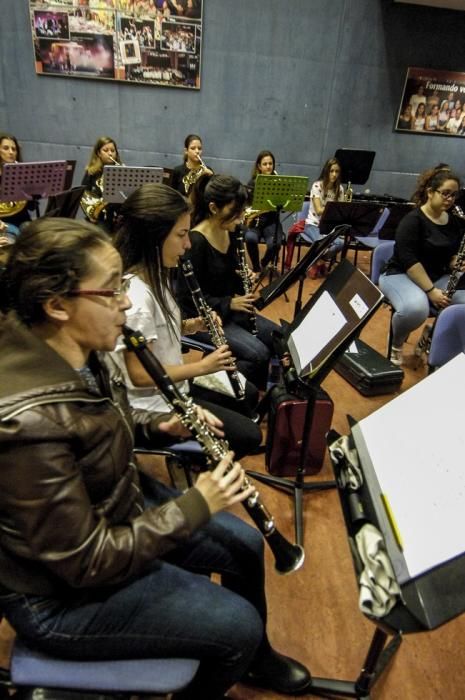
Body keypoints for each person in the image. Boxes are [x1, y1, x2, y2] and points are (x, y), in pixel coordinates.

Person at [0, 217, 311, 700]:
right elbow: (85, 562)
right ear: (58, 304)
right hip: (62, 599)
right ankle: (243, 651)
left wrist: (156, 426)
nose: (124, 301)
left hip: (117, 506)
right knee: (238, 627)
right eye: (110, 291)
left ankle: (257, 660)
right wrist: (196, 505)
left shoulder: (81, 345)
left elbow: (95, 424)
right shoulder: (27, 423)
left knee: (245, 548)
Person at [112, 182, 262, 456]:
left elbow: (154, 336)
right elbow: (139, 375)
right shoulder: (137, 300)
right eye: (181, 234)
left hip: (173, 382)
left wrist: (191, 326)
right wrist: (203, 367)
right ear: (153, 238)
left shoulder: (157, 274)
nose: (188, 243)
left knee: (249, 395)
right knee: (250, 436)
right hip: (156, 404)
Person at [177, 173, 281, 390]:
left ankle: (260, 391)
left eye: (242, 211)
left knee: (279, 338)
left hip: (230, 312)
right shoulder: (196, 242)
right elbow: (187, 299)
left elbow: (228, 278)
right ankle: (213, 391)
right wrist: (229, 303)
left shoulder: (234, 232)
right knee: (258, 354)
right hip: (204, 318)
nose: (241, 218)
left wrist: (245, 277)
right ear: (214, 208)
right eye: (235, 212)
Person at [379, 168, 465, 366]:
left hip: (436, 274)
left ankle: (430, 336)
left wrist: (455, 262)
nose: (450, 199)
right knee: (416, 309)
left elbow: (450, 254)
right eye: (445, 193)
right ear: (430, 192)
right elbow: (410, 262)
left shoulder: (454, 222)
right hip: (400, 274)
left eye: (454, 195)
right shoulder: (412, 221)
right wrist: (431, 291)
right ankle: (396, 344)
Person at [285, 157, 345, 276]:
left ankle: (318, 260)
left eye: (336, 172)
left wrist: (336, 211)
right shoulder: (317, 186)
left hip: (329, 227)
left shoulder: (340, 189)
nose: (334, 174)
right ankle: (318, 261)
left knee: (340, 244)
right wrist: (334, 209)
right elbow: (318, 210)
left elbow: (341, 212)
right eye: (331, 171)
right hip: (313, 224)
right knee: (321, 243)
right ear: (326, 171)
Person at [244, 150, 284, 273]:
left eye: (270, 164)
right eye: (265, 164)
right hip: (256, 221)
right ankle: (256, 267)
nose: (268, 167)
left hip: (272, 221)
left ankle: (263, 264)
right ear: (259, 166)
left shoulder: (278, 182)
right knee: (250, 238)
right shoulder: (252, 183)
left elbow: (283, 205)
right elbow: (246, 205)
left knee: (276, 244)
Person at [80, 135, 122, 230]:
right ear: (98, 153)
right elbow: (83, 194)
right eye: (106, 150)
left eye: (112, 150)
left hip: (116, 216)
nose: (110, 153)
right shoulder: (91, 172)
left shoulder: (121, 171)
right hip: (99, 217)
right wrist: (91, 214)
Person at [0, 133, 29, 236]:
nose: (11, 152)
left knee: (39, 237)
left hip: (23, 219)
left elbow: (30, 207)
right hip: (3, 222)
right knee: (11, 239)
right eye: (6, 148)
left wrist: (35, 192)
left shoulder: (23, 173)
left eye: (14, 149)